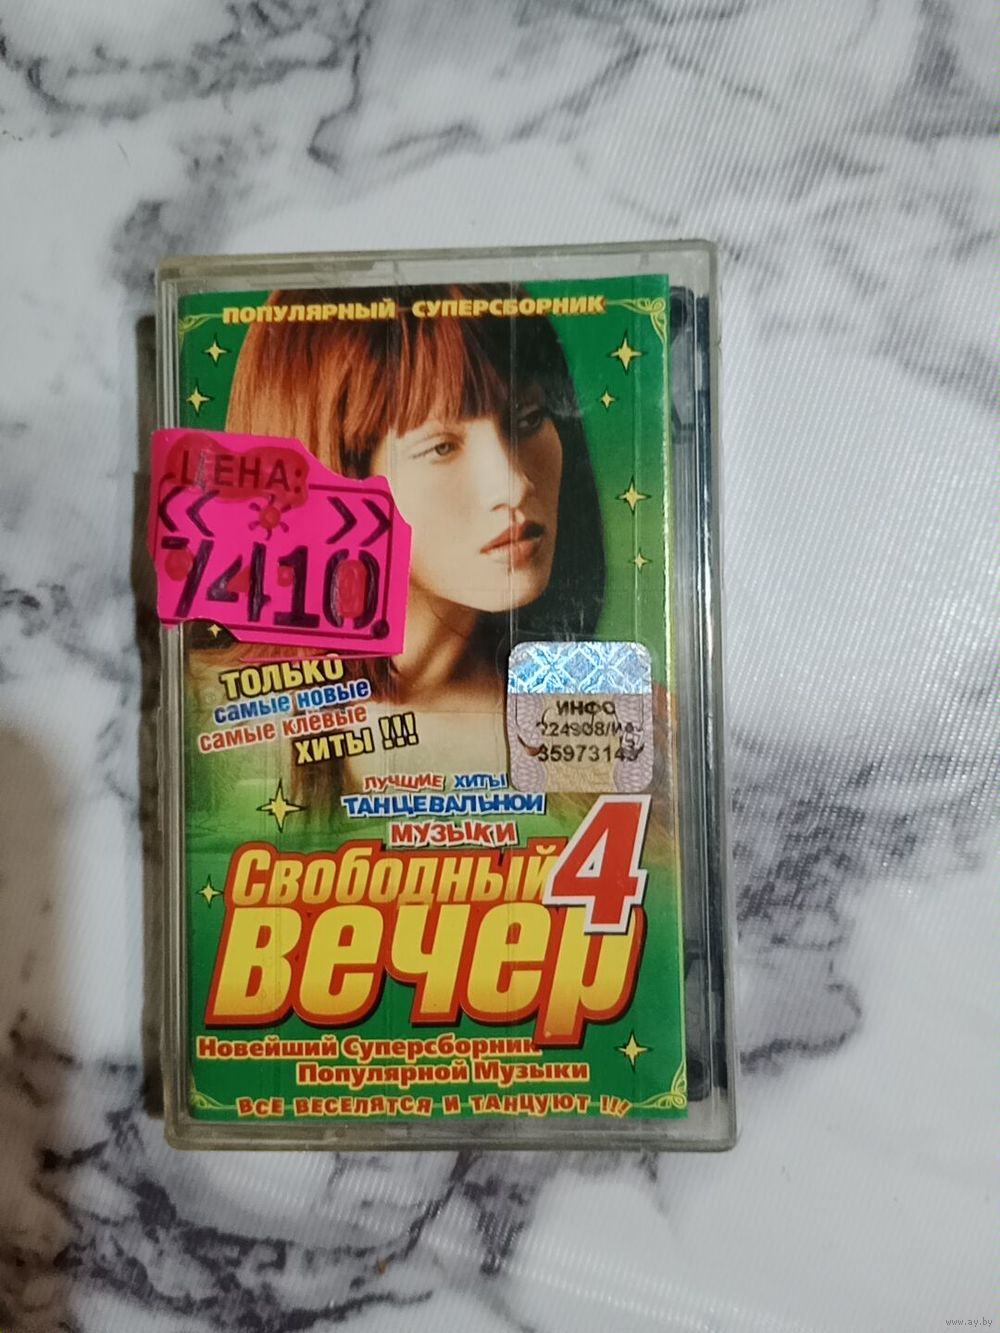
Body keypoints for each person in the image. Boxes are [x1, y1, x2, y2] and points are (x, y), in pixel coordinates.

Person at [197, 284, 606, 807]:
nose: (514, 484)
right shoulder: (206, 723)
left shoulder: (601, 723)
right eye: (440, 447)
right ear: (332, 479)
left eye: (528, 420)